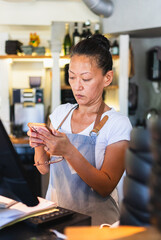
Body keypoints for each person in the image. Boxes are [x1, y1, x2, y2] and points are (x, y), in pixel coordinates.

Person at [27, 34, 132, 225]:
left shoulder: (118, 124)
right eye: (72, 77)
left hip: (97, 226)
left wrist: (69, 151)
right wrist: (38, 145)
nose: (77, 86)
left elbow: (105, 187)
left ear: (107, 78)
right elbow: (43, 168)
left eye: (86, 78)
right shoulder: (60, 114)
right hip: (56, 218)